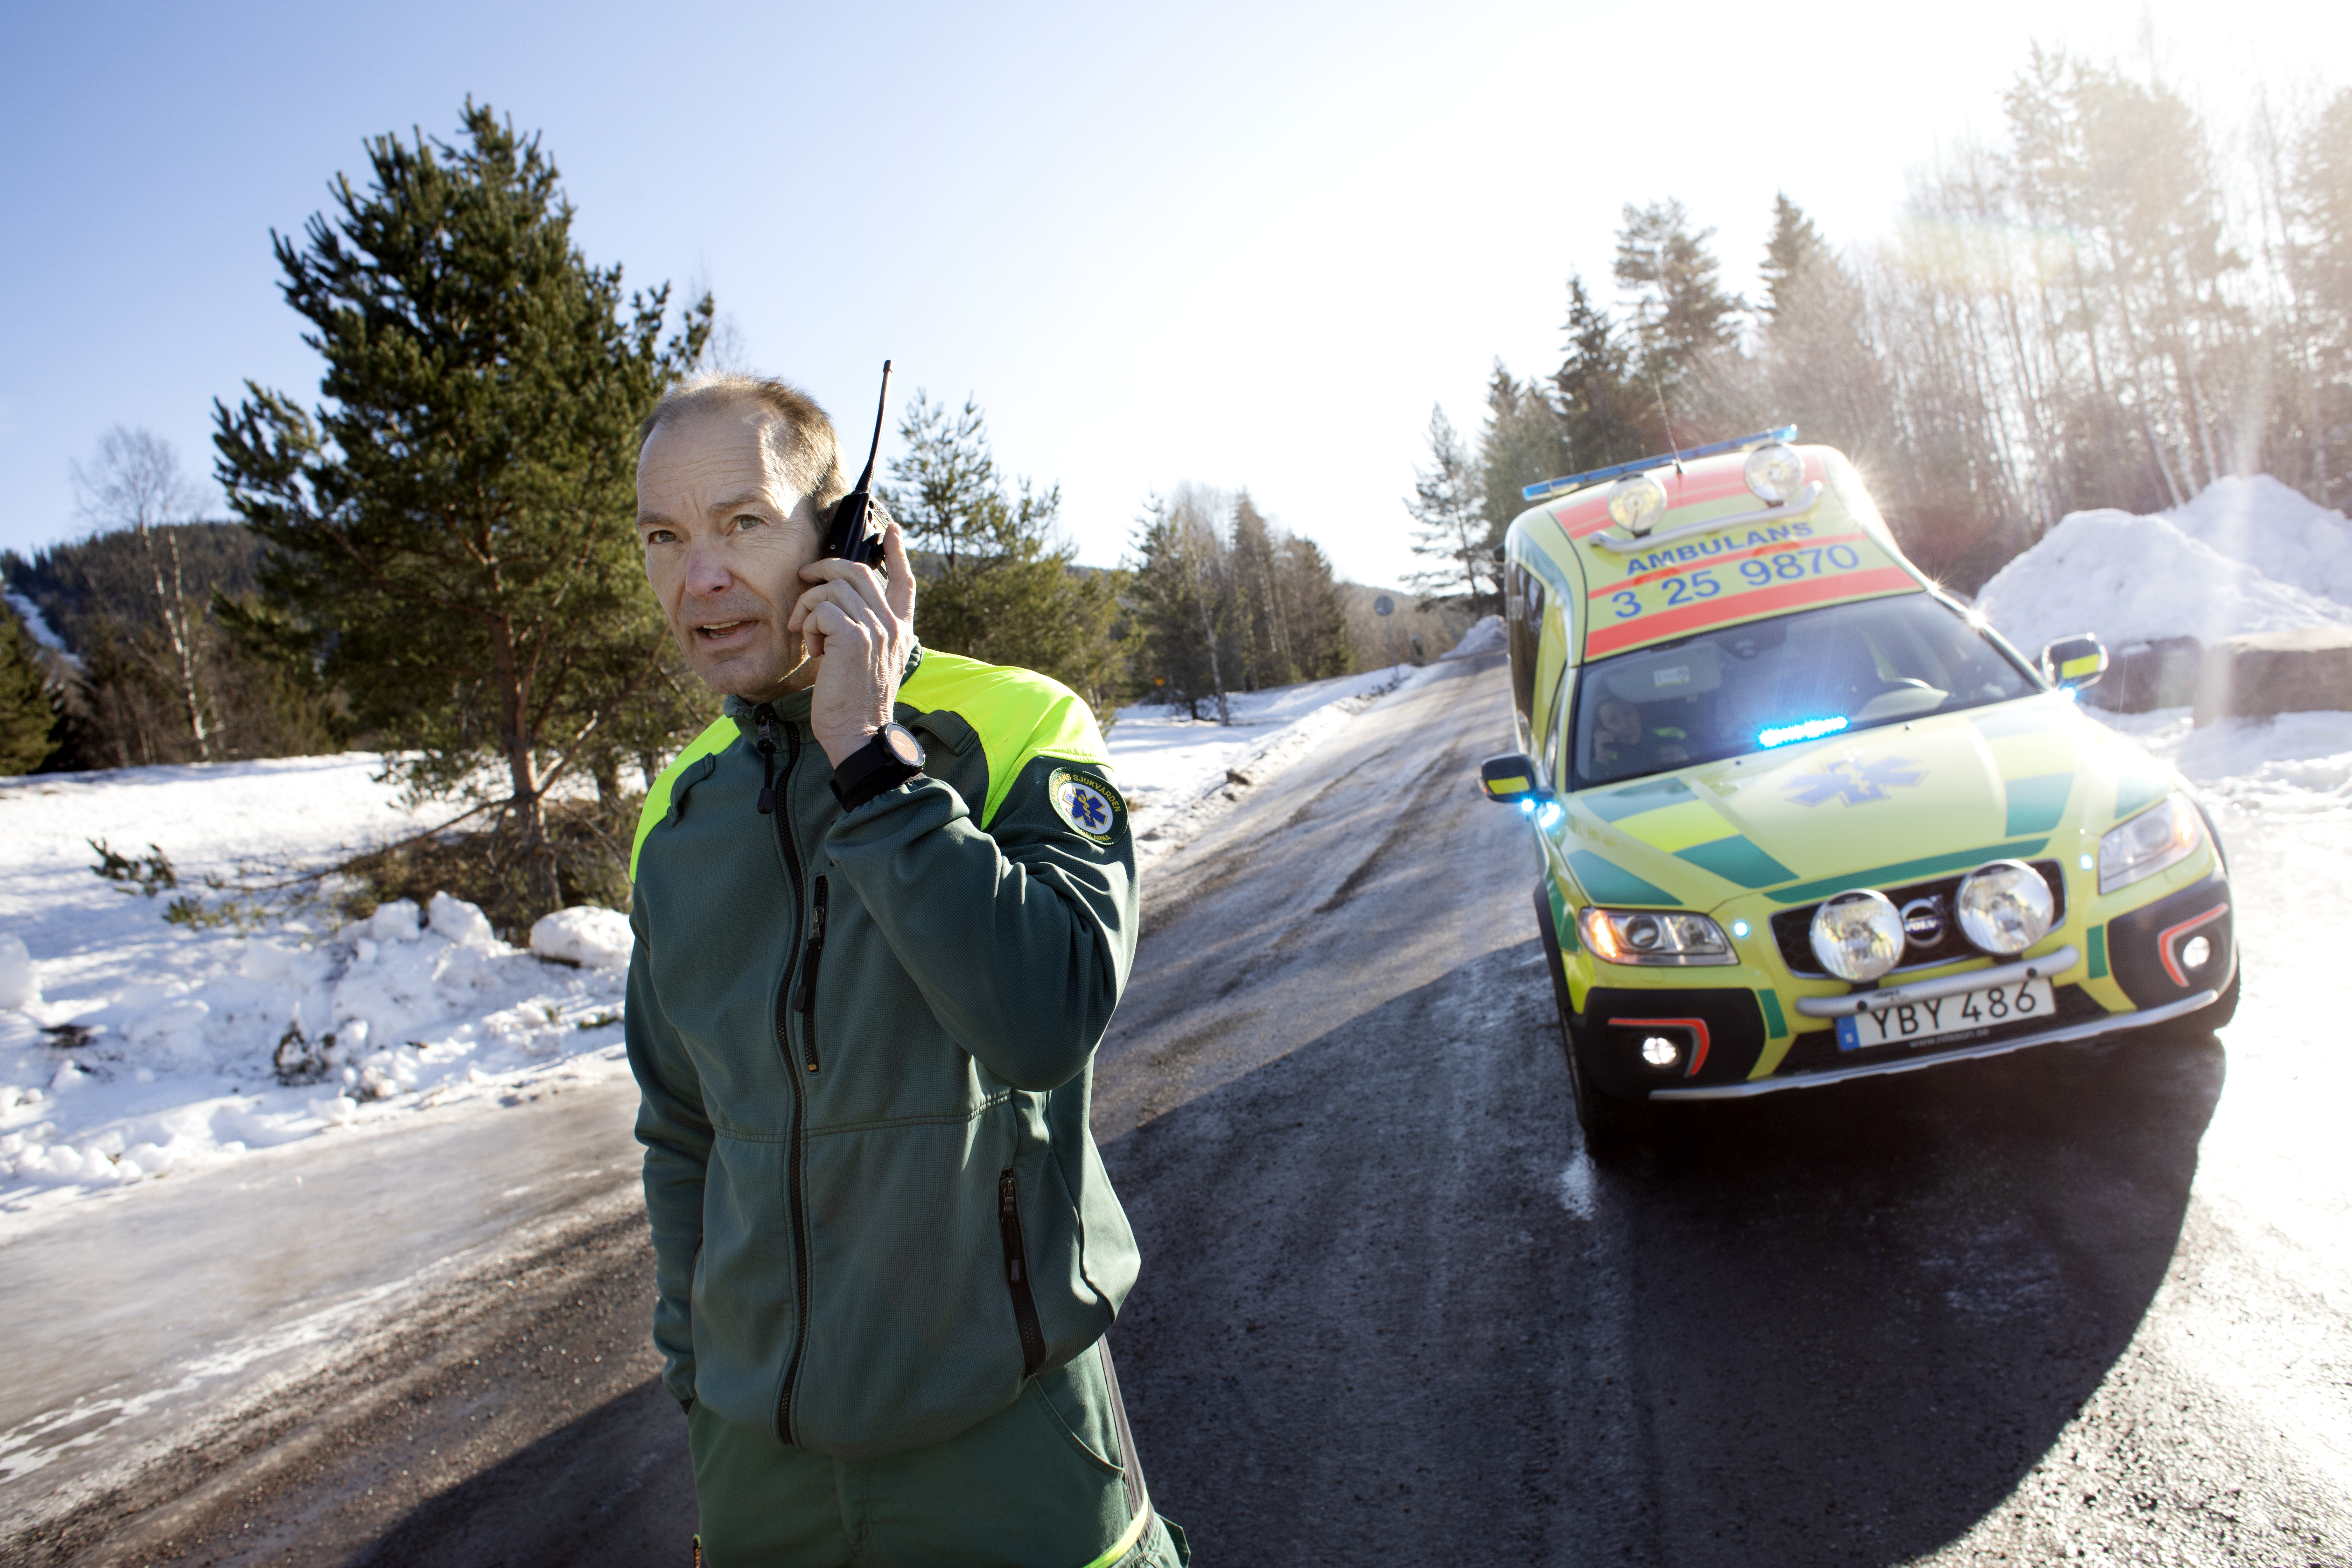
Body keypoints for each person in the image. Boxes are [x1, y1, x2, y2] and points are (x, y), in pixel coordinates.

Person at [624, 374, 1186, 1567]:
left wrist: (869, 758)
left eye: (742, 525)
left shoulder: (1017, 726)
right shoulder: (676, 814)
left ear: (849, 538)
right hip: (757, 1463)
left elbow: (1044, 1017)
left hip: (1006, 1447)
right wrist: (700, 1379)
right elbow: (683, 1134)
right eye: (665, 539)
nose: (700, 579)